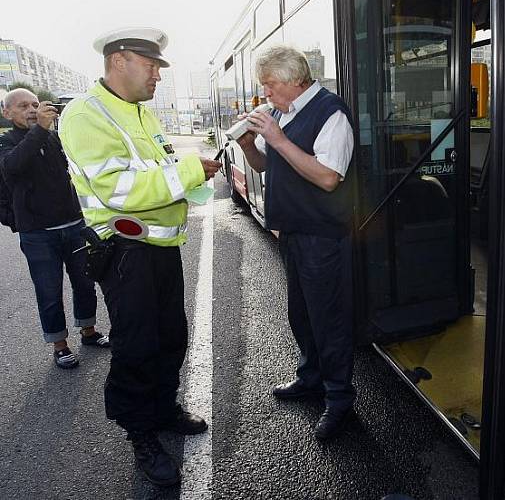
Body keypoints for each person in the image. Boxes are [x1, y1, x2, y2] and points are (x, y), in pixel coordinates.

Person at [58, 27, 221, 486]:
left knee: (171, 334)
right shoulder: (86, 115)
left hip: (161, 249)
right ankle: (141, 434)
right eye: (150, 66)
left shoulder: (139, 113)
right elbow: (117, 187)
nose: (157, 77)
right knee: (137, 346)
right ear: (119, 60)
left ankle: (163, 407)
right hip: (126, 253)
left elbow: (161, 170)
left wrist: (192, 175)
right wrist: (190, 169)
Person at [236, 45, 356, 440]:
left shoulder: (330, 112)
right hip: (293, 233)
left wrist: (278, 138)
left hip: (323, 237)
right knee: (301, 315)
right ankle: (311, 379)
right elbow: (267, 165)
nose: (266, 94)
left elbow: (327, 177)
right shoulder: (283, 113)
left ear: (291, 80)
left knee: (329, 321)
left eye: (269, 85)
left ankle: (339, 399)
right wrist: (250, 145)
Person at [0, 88, 109, 369]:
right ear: (7, 113)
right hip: (38, 234)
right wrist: (18, 220)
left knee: (85, 282)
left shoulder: (51, 136)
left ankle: (88, 330)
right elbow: (13, 166)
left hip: (74, 225)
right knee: (48, 291)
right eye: (23, 106)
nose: (32, 110)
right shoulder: (7, 142)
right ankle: (59, 345)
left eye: (35, 104)